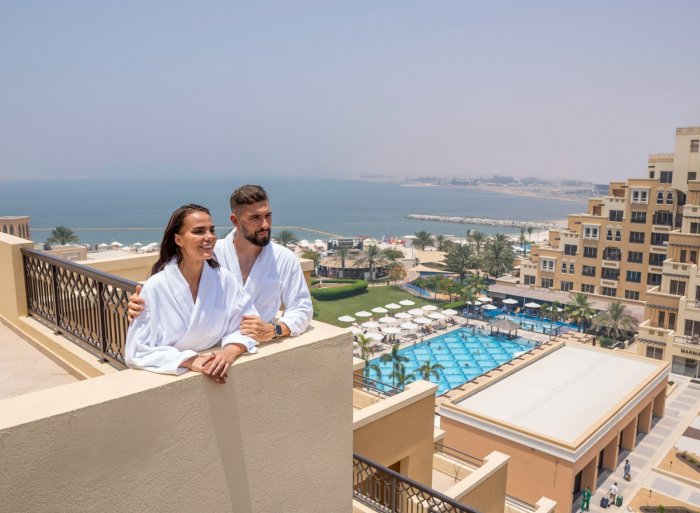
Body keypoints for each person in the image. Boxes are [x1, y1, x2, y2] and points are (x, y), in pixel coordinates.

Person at [129, 185, 312, 342]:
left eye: (268, 216)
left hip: (255, 350)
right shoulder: (208, 254)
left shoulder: (284, 259)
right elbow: (172, 286)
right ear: (235, 221)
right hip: (210, 350)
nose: (265, 224)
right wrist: (142, 305)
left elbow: (301, 308)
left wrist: (274, 330)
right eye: (255, 218)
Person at [125, 204, 258, 383]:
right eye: (199, 231)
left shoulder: (225, 280)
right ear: (178, 240)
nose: (209, 236)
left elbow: (248, 325)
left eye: (211, 230)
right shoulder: (155, 287)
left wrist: (228, 353)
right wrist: (190, 360)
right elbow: (136, 350)